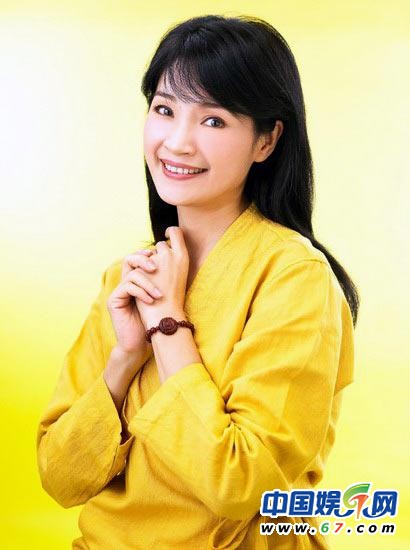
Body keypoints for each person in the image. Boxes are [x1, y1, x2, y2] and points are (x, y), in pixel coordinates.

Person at [36, 14, 359, 550]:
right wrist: (125, 359)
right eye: (165, 109)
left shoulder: (295, 277)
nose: (178, 142)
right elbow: (59, 478)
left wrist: (169, 327)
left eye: (213, 120)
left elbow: (241, 485)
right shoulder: (129, 277)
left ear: (266, 140)